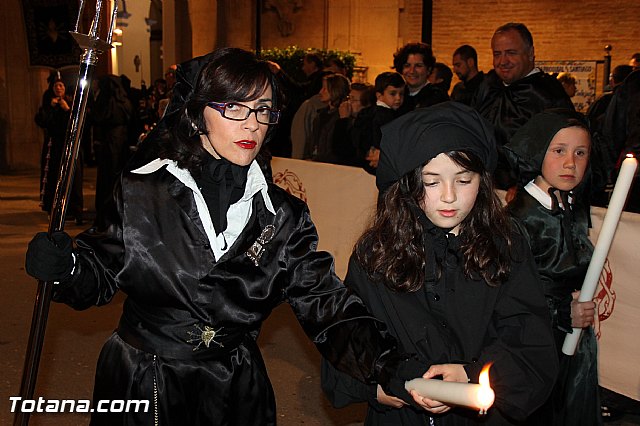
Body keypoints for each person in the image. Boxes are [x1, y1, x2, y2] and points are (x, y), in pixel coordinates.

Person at [24, 47, 428, 426]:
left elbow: (327, 305)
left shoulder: (283, 215)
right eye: (234, 106)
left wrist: (388, 364)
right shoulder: (140, 190)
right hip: (145, 379)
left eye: (264, 110)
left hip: (234, 385)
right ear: (198, 114)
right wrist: (67, 266)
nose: (252, 123)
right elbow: (100, 269)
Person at [322, 102, 558, 425]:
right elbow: (349, 344)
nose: (449, 196)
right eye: (431, 182)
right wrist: (384, 387)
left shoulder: (505, 245)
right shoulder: (378, 252)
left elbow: (532, 347)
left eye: (463, 180)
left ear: (483, 179)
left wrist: (470, 373)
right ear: (407, 183)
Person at [504, 109, 601, 425]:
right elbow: (508, 294)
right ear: (537, 150)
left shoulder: (571, 207)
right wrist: (561, 311)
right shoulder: (520, 219)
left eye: (580, 152)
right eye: (559, 151)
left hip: (572, 339)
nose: (571, 162)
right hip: (536, 344)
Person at [473, 22, 574, 189]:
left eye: (511, 53)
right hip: (484, 189)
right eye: (497, 54)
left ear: (531, 53)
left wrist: (528, 186)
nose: (502, 61)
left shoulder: (547, 95)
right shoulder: (488, 88)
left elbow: (561, 152)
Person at [34, 73, 84, 224]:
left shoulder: (71, 103)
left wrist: (67, 109)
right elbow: (42, 121)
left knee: (71, 177)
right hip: (53, 145)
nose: (58, 88)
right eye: (56, 86)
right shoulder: (48, 104)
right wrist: (51, 107)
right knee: (54, 176)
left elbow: (77, 123)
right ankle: (53, 209)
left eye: (61, 85)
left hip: (68, 144)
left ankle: (73, 210)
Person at [357, 71, 406, 174]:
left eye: (401, 94)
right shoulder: (388, 116)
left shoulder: (365, 112)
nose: (398, 98)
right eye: (393, 94)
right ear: (379, 96)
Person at [393, 42, 449, 113]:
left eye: (418, 66)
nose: (412, 71)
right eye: (407, 65)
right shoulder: (397, 95)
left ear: (428, 69)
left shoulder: (438, 99)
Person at [308, 73, 351, 163]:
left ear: (335, 91)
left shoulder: (343, 116)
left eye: (325, 89)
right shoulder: (320, 115)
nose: (320, 92)